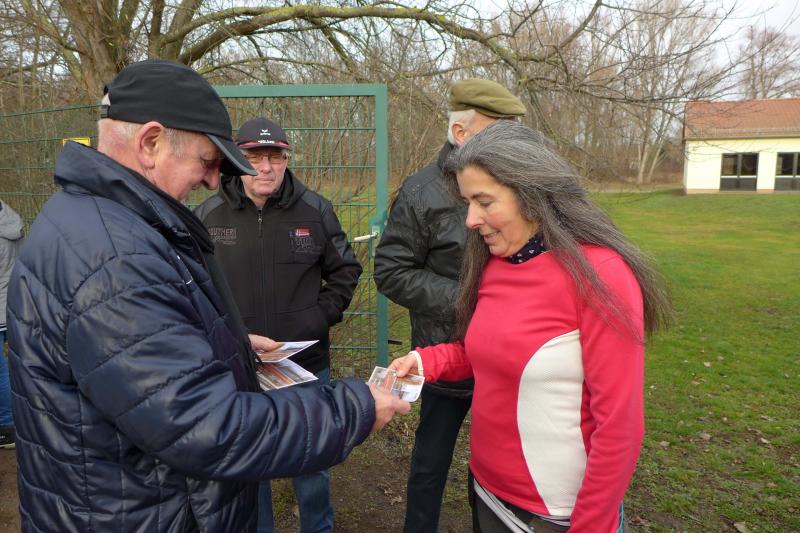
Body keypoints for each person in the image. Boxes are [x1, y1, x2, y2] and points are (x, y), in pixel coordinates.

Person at [6, 59, 409, 533]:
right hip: (135, 513)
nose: (215, 180)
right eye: (207, 160)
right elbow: (208, 428)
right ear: (151, 143)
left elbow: (143, 361)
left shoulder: (99, 222)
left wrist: (231, 343)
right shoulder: (115, 256)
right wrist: (356, 407)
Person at [390, 121, 672, 533]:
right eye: (467, 202)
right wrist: (427, 361)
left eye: (484, 202)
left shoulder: (601, 275)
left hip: (555, 513)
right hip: (486, 490)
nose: (470, 219)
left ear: (532, 193)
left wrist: (591, 526)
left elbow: (619, 426)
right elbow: (491, 352)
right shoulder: (494, 263)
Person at [195, 116, 363, 533]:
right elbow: (194, 286)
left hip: (304, 364)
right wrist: (225, 334)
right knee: (251, 464)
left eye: (275, 157)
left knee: (312, 459)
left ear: (287, 159)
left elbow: (345, 271)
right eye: (254, 157)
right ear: (236, 160)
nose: (265, 168)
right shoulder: (208, 215)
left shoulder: (315, 210)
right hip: (239, 366)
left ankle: (317, 527)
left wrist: (316, 319)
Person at [373, 78, 526, 532]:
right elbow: (390, 270)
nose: (508, 142)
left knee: (503, 465)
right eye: (496, 130)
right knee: (431, 461)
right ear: (460, 133)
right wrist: (470, 303)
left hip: (511, 355)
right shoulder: (421, 192)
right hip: (445, 350)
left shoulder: (517, 183)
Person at [0, 199, 23, 449]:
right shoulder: (10, 220)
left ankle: (7, 426)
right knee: (19, 362)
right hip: (14, 303)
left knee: (1, 370)